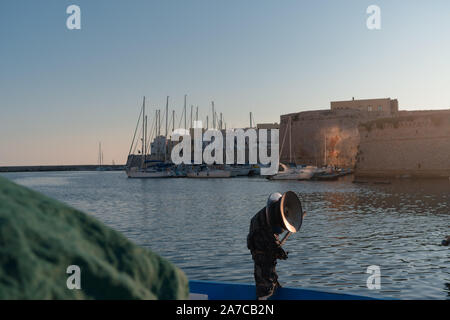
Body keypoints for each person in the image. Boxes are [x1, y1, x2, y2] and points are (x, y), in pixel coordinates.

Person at [247, 191, 305, 300]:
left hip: (264, 245)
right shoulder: (260, 223)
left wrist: (277, 250)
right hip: (260, 249)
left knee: (270, 273)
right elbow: (267, 240)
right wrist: (277, 250)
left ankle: (271, 289)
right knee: (264, 278)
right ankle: (264, 296)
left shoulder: (267, 217)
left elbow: (272, 239)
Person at [247, 206, 288, 300]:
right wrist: (279, 252)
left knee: (268, 278)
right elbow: (271, 242)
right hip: (262, 256)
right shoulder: (263, 225)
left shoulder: (265, 215)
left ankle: (269, 291)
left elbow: (273, 241)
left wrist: (278, 251)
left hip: (261, 253)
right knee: (265, 285)